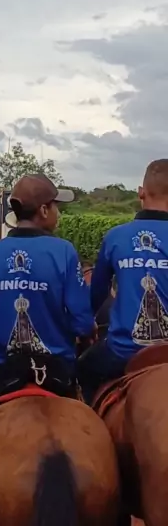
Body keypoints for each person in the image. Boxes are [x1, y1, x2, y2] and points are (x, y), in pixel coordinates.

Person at [0, 174, 95, 390]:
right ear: (44, 210)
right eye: (55, 206)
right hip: (56, 364)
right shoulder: (64, 251)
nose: (58, 213)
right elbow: (82, 322)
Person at [78, 159, 168, 405]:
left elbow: (97, 294)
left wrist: (85, 325)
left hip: (124, 351)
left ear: (141, 192)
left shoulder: (116, 237)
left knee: (83, 370)